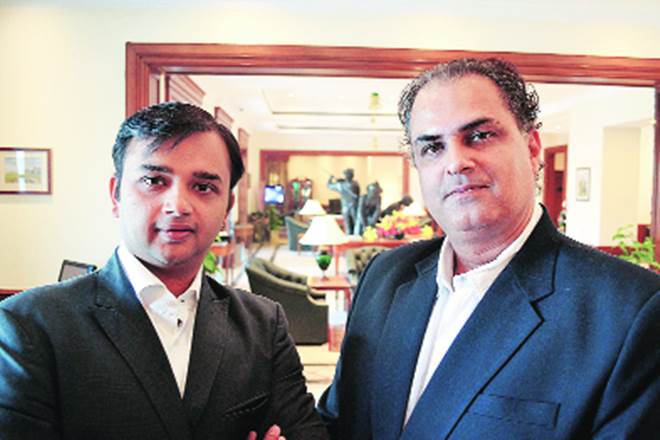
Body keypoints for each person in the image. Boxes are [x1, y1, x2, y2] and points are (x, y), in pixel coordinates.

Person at [317, 58, 659, 438]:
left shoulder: (629, 311)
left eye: (479, 136)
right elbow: (338, 423)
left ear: (532, 147)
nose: (456, 163)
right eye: (432, 147)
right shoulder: (385, 277)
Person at [0, 102, 328, 440]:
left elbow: (308, 433)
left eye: (203, 187)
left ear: (227, 208)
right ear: (116, 195)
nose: (177, 206)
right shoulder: (30, 325)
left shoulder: (262, 324)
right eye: (154, 181)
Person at [327, 168, 360, 235]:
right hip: (353, 206)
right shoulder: (355, 183)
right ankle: (355, 235)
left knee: (348, 224)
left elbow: (329, 185)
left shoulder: (341, 185)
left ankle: (350, 236)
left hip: (346, 206)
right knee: (355, 223)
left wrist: (330, 178)